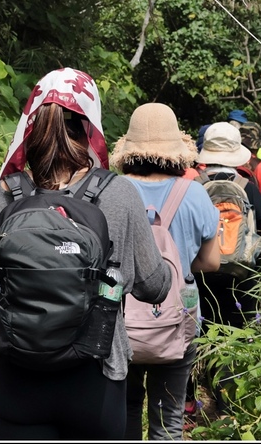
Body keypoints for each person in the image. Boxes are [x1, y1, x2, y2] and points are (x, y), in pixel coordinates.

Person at [0, 68, 170, 440]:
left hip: (16, 378)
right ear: (91, 122)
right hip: (95, 378)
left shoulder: (7, 192)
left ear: (32, 121)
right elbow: (153, 286)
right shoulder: (117, 194)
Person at [110, 103, 221, 440]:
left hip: (121, 321)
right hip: (177, 321)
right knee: (169, 417)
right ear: (177, 149)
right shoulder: (195, 194)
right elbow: (212, 263)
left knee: (125, 408)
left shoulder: (112, 192)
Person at [194, 122, 261, 413]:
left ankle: (198, 390)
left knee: (203, 328)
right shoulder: (247, 188)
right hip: (242, 278)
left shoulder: (195, 186)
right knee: (235, 330)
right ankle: (229, 400)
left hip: (202, 272)